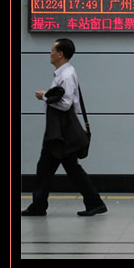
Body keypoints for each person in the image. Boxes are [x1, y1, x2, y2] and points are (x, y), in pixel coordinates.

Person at [23, 38, 107, 217]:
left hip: (61, 131)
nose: (51, 53)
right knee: (59, 168)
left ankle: (40, 206)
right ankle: (94, 203)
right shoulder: (64, 73)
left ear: (61, 54)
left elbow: (65, 103)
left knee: (53, 168)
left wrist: (45, 96)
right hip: (59, 130)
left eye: (53, 50)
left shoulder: (66, 75)